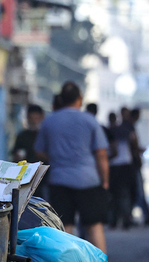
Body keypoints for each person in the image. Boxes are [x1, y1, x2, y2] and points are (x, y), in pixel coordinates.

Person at [34, 82, 110, 253]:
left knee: (65, 228)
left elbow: (39, 151)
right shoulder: (89, 120)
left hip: (59, 180)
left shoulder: (49, 122)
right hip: (88, 181)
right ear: (80, 98)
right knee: (94, 226)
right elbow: (101, 154)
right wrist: (104, 181)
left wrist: (57, 158)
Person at [108, 107, 138, 229]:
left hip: (114, 166)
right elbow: (134, 143)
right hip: (125, 165)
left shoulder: (109, 130)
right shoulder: (126, 129)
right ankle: (126, 219)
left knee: (114, 195)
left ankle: (114, 220)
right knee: (124, 194)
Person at [129, 108, 149, 225]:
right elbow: (133, 147)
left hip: (132, 165)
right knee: (138, 191)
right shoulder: (129, 128)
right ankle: (144, 215)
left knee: (136, 192)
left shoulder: (130, 127)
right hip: (131, 166)